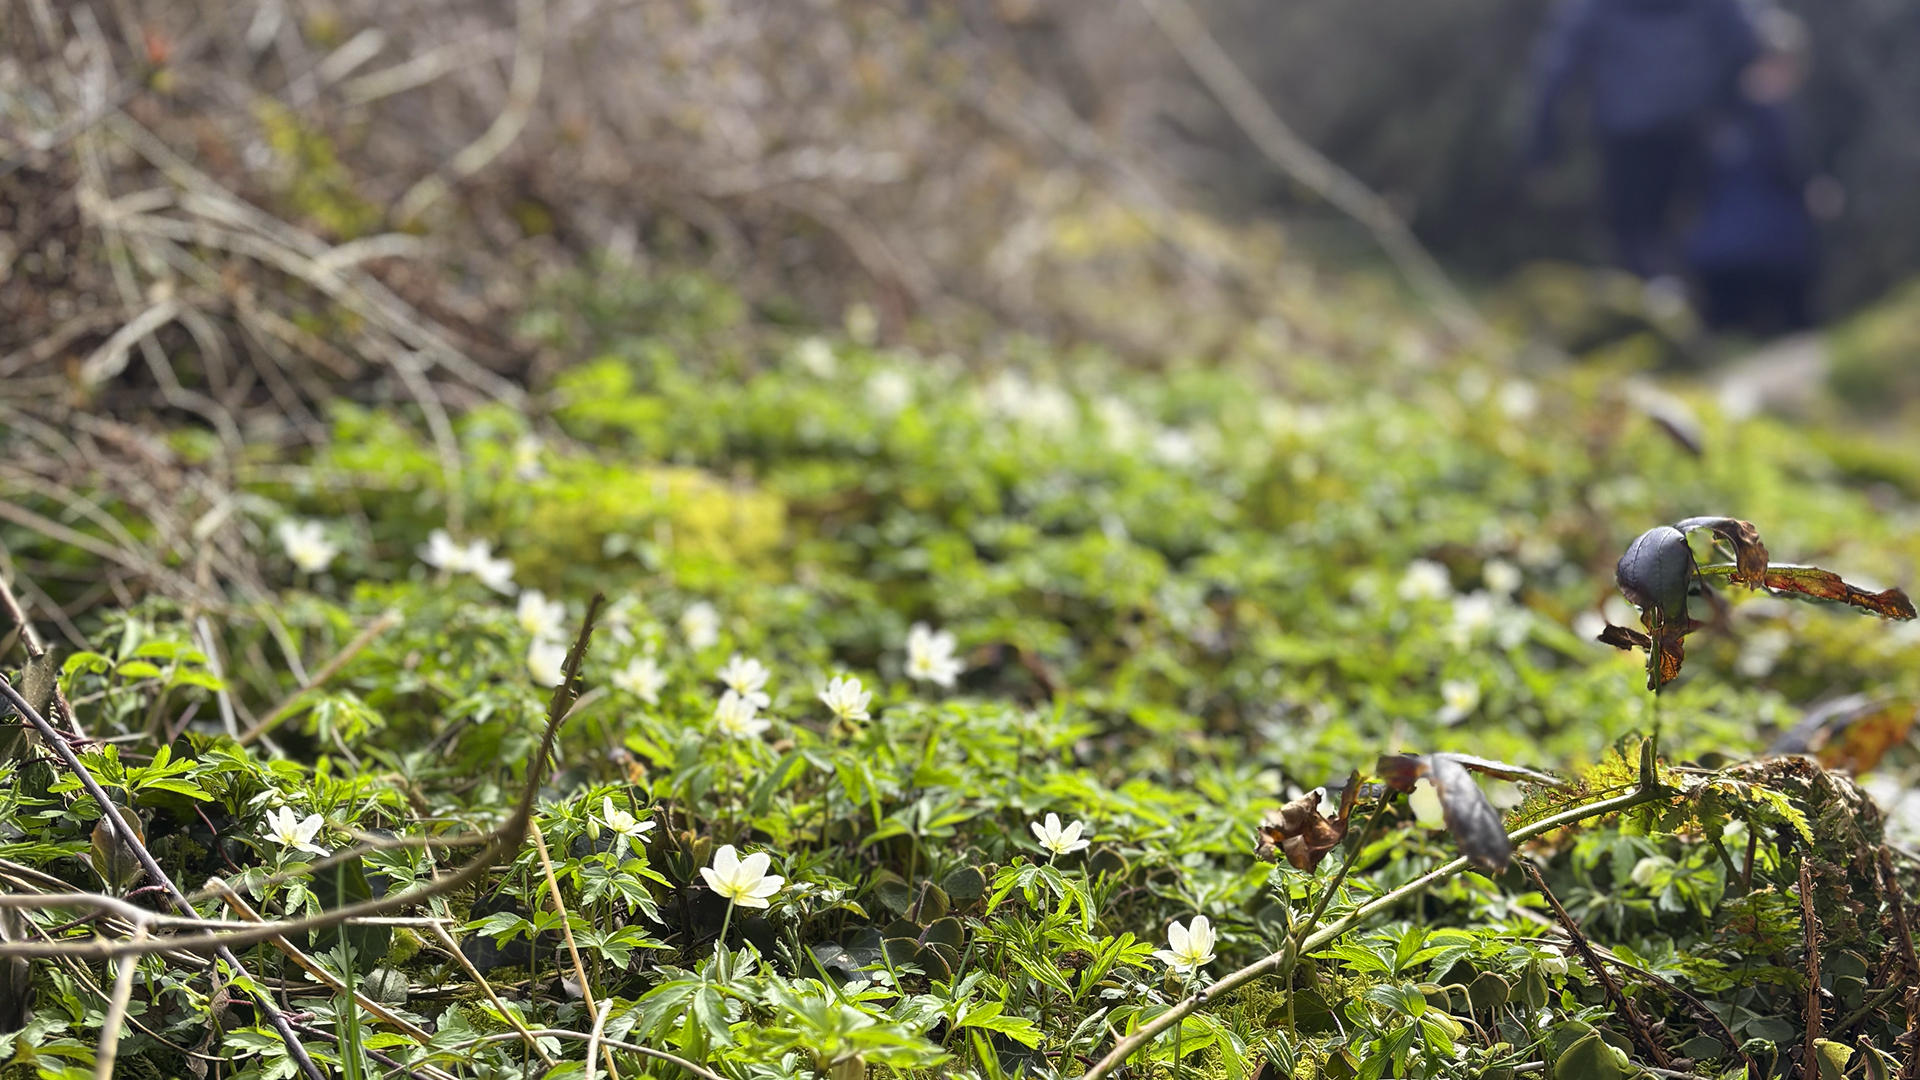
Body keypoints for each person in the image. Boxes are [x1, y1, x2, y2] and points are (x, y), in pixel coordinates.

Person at [1526, 0, 1759, 280]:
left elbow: (1557, 67)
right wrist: (1719, 104)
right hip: (1688, 125)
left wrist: (1543, 145)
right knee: (1678, 232)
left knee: (1631, 235)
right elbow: (1745, 44)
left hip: (1625, 128)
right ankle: (1668, 302)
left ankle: (1641, 303)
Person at [1683, 10, 1821, 334]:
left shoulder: (1714, 107)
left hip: (1716, 250)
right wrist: (1811, 191)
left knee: (1725, 345)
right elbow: (1785, 165)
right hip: (1774, 249)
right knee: (1796, 336)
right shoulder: (1772, 110)